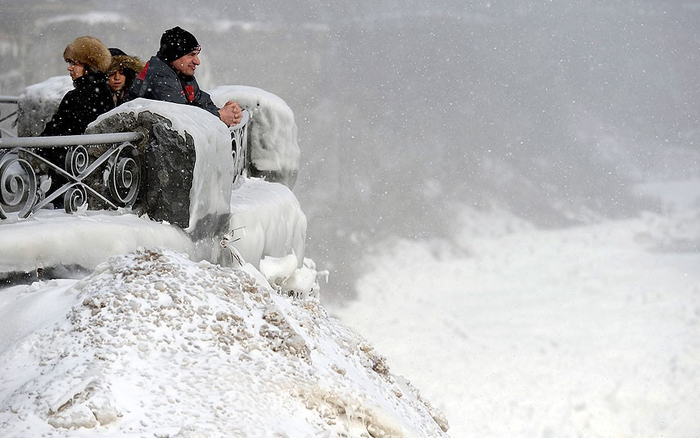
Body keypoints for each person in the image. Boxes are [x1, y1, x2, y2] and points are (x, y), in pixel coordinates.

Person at [126, 26, 242, 127]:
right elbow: (181, 116)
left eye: (197, 55)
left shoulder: (181, 74)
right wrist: (220, 115)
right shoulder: (159, 76)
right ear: (174, 56)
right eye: (191, 55)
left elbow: (202, 103)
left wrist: (224, 113)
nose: (197, 61)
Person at [41, 36, 114, 136]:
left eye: (74, 64)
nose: (69, 68)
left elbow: (57, 132)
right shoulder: (105, 92)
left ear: (89, 66)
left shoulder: (78, 96)